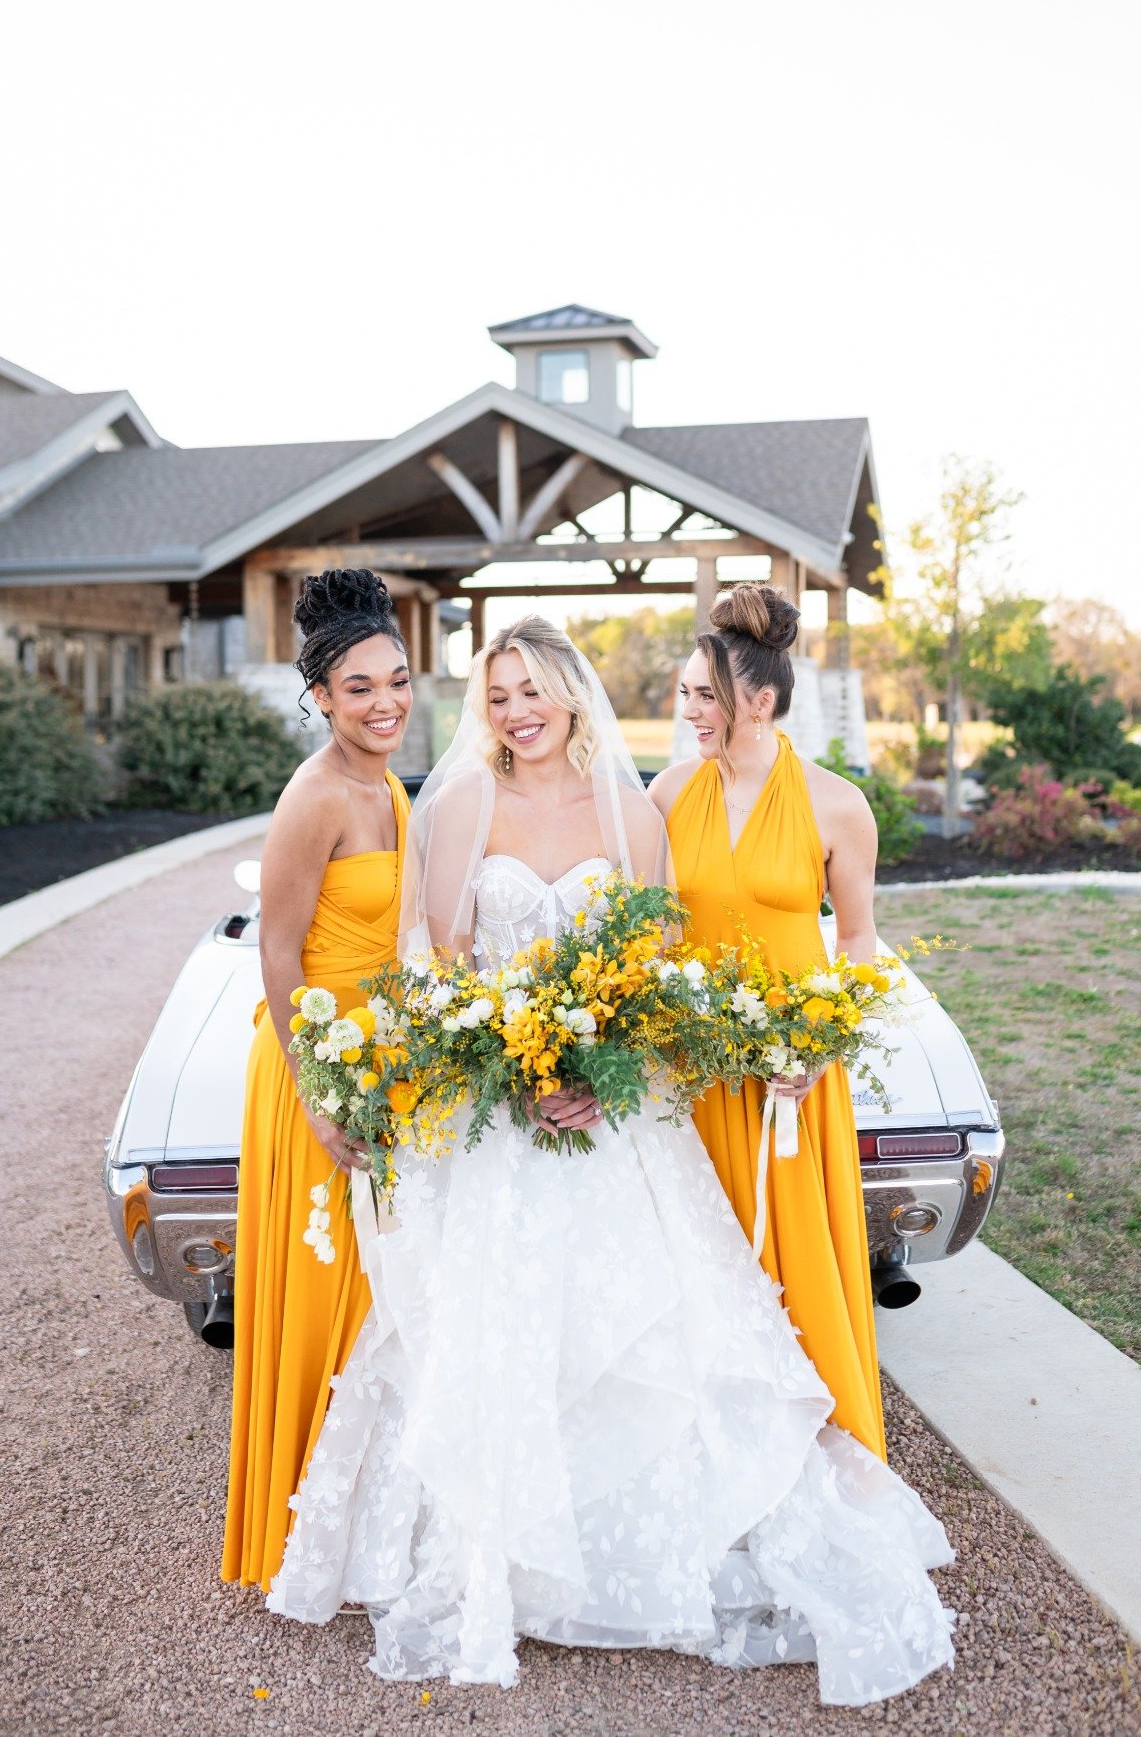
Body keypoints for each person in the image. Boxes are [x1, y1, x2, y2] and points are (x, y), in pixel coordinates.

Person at [266, 616, 954, 1705]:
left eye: (533, 690)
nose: (516, 712)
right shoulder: (453, 806)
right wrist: (504, 1055)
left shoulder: (638, 809)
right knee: (491, 1331)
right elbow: (436, 961)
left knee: (655, 1326)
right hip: (495, 1111)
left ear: (574, 695)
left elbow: (659, 957)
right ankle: (508, 1551)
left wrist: (602, 1056)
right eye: (497, 697)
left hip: (614, 1113)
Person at [648, 582, 886, 1460]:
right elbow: (647, 927)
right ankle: (710, 1456)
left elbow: (857, 941)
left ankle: (818, 1446)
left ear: (761, 700)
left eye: (705, 695)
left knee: (796, 1265)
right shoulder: (670, 792)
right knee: (699, 1262)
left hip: (794, 1076)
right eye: (684, 693)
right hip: (693, 1075)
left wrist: (824, 1046)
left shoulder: (837, 804)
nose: (689, 713)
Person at [221, 569, 412, 1593]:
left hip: (383, 1059)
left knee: (382, 1300)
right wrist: (318, 1090)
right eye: (358, 687)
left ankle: (369, 1525)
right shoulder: (316, 794)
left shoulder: (384, 782)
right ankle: (305, 1535)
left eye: (396, 679)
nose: (384, 702)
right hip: (318, 1063)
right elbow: (279, 955)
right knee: (325, 1291)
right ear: (321, 698)